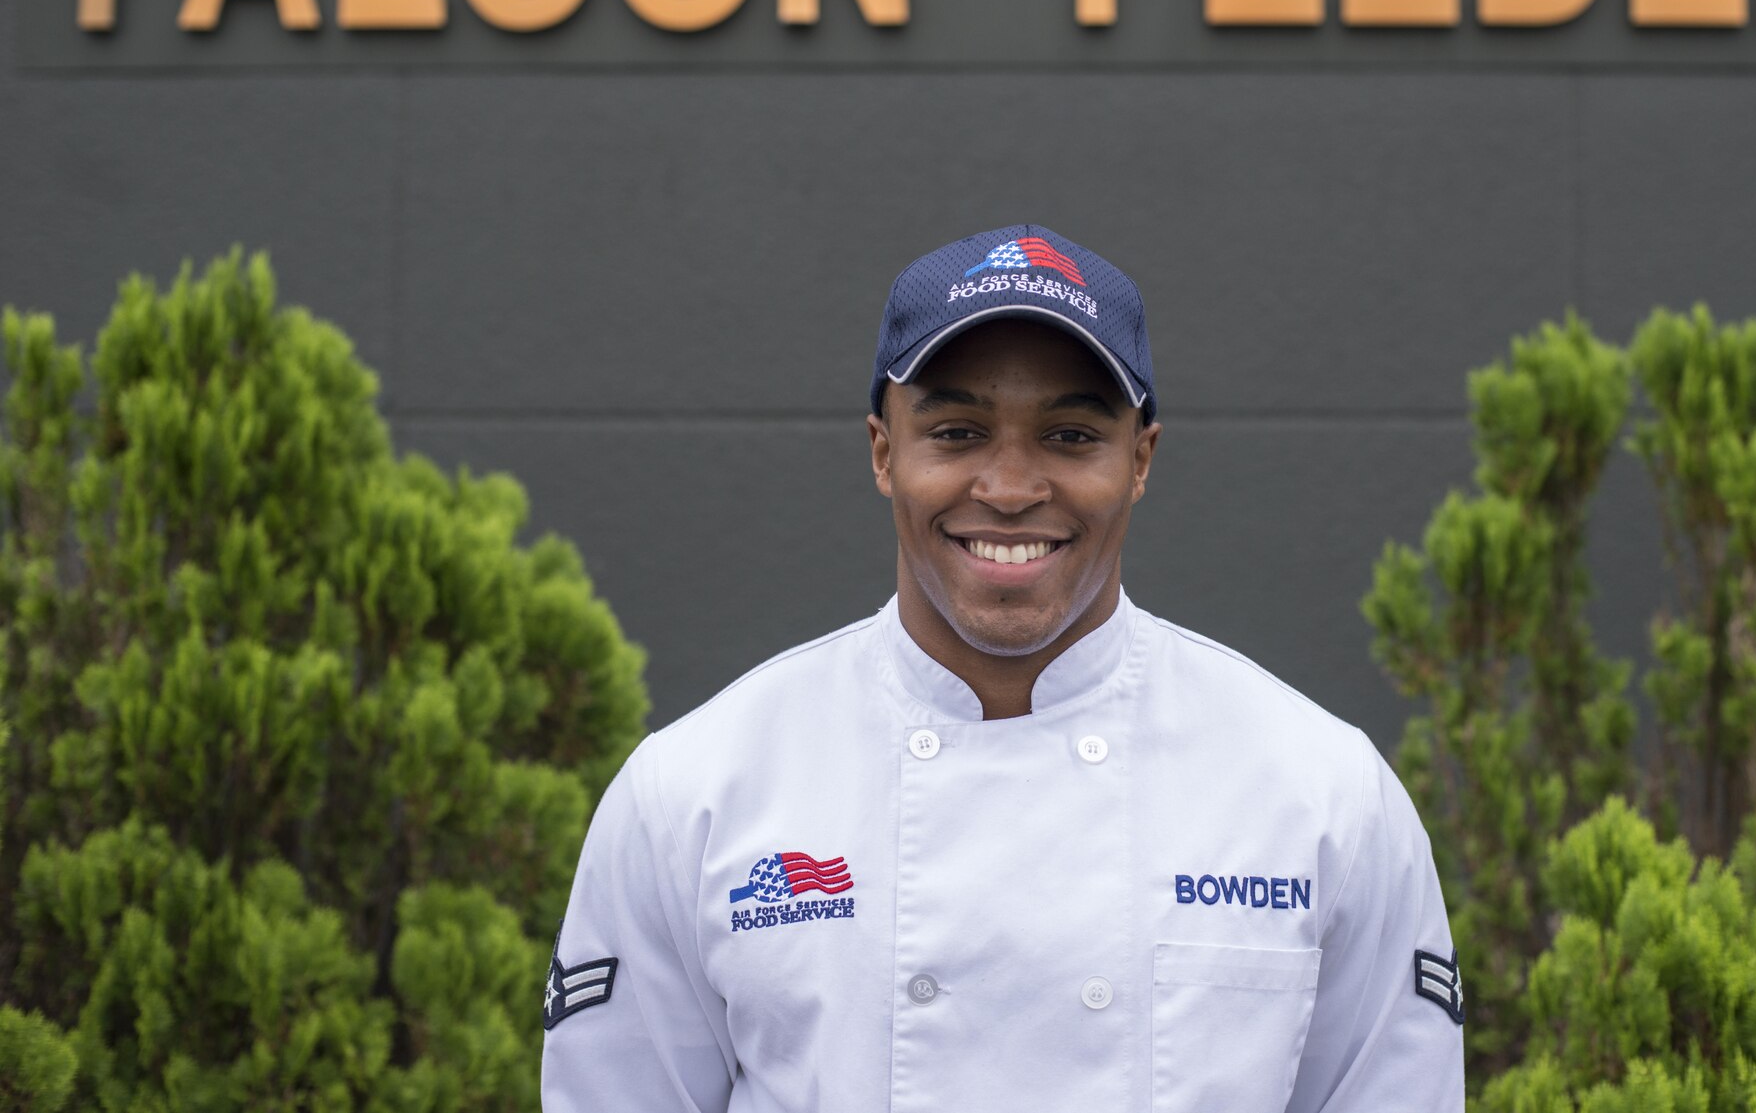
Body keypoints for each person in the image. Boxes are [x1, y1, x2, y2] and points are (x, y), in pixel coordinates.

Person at [540, 225, 1466, 1111]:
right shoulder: (693, 795)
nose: (1012, 488)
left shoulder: (1323, 794)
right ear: (882, 451)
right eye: (955, 432)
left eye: (1070, 435)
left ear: (1139, 460)